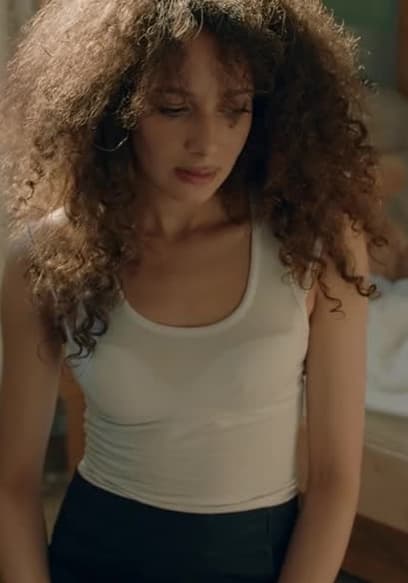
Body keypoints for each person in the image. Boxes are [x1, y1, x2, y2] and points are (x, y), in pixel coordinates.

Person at [0, 1, 386, 582]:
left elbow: (334, 481)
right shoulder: (44, 255)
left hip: (257, 562)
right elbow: (12, 483)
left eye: (235, 109)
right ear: (113, 107)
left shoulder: (316, 242)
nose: (207, 142)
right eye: (174, 108)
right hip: (94, 559)